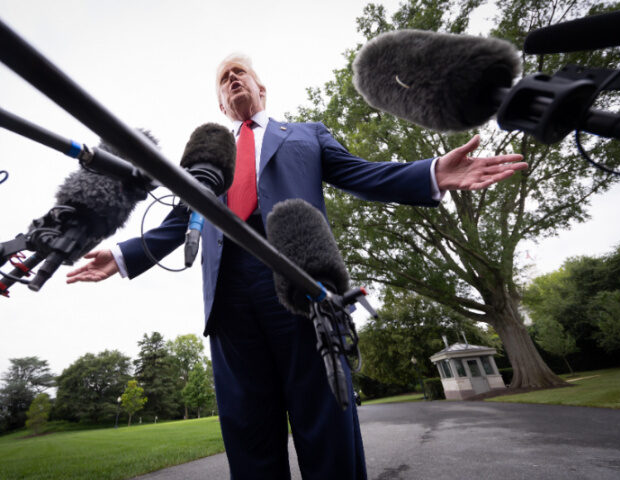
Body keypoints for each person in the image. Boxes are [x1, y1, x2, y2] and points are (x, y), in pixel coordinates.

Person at [67, 54, 527, 479]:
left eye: (239, 72)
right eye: (223, 79)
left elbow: (362, 174)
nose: (232, 79)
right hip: (229, 299)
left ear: (260, 89)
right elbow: (176, 222)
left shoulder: (307, 134)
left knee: (325, 427)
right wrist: (123, 254)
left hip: (302, 287)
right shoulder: (209, 158)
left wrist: (431, 173)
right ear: (221, 105)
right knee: (250, 437)